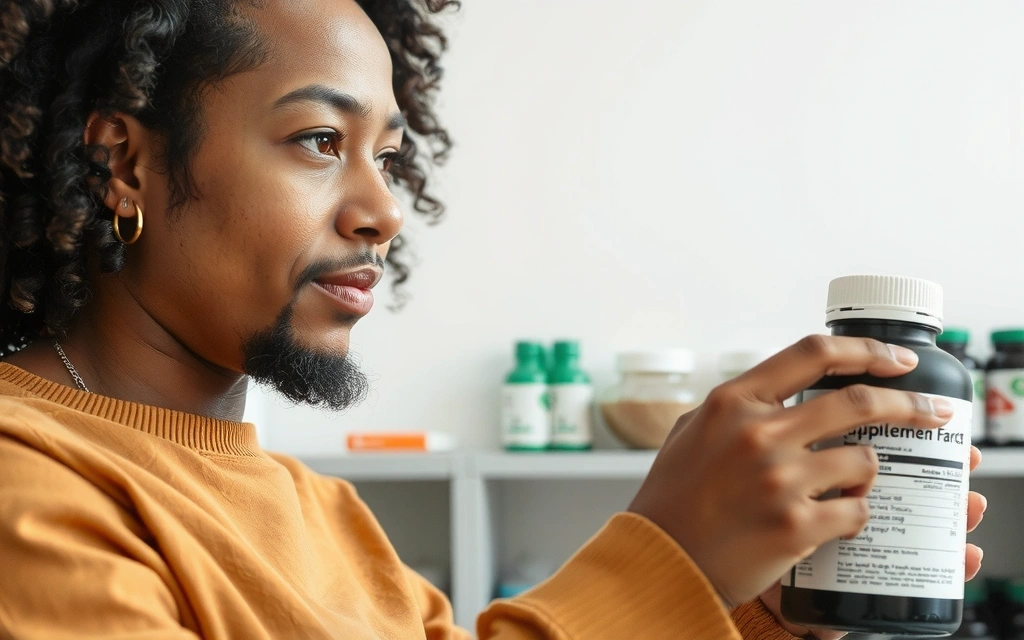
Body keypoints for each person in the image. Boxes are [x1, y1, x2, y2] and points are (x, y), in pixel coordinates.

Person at [0, 1, 985, 638]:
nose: (383, 210)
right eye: (319, 139)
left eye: (388, 155)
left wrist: (734, 612)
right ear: (126, 161)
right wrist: (665, 556)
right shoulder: (27, 485)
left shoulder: (320, 511)